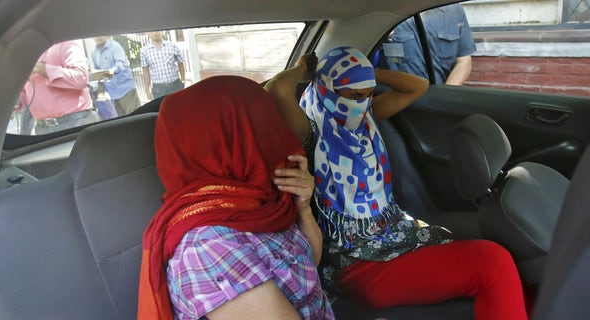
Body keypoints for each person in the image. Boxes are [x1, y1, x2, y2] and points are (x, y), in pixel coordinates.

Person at [265, 47, 528, 320]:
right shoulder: (310, 129)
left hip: (394, 233)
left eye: (368, 94)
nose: (362, 103)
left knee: (505, 254)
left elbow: (417, 87)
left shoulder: (365, 118)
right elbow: (277, 91)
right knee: (493, 262)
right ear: (326, 88)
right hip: (359, 261)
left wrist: (368, 73)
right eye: (354, 95)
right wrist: (302, 69)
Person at [137, 75, 334, 320]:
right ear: (234, 141)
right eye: (266, 126)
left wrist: (303, 208)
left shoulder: (258, 201)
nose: (280, 135)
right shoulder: (209, 247)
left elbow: (309, 267)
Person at [379, 3, 475, 85]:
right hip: (397, 98)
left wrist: (445, 95)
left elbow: (463, 61)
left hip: (437, 96)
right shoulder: (385, 11)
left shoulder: (454, 11)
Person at [17, 40, 100, 135]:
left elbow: (81, 78)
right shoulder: (27, 54)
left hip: (75, 123)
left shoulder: (65, 42)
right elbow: (23, 99)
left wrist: (42, 69)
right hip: (42, 128)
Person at [91, 36, 141, 116]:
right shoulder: (94, 52)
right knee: (121, 120)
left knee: (136, 116)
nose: (98, 37)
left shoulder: (115, 46)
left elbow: (120, 64)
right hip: (112, 93)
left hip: (125, 89)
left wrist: (113, 71)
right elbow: (97, 71)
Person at [140, 31, 186, 100]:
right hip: (159, 89)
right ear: (147, 33)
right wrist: (147, 90)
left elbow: (180, 64)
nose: (154, 33)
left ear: (161, 31)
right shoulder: (144, 51)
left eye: (157, 30)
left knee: (180, 108)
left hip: (176, 86)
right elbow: (146, 72)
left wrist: (183, 80)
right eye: (151, 31)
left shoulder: (172, 46)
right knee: (162, 109)